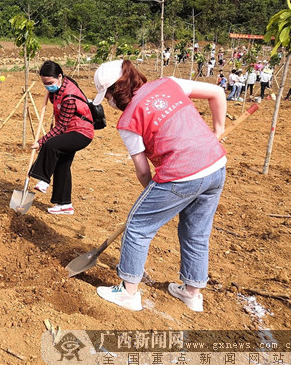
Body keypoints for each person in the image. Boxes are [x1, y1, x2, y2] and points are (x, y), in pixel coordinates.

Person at [93, 59, 227, 313]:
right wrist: (217, 133)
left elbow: (143, 171)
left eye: (108, 95)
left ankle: (128, 292)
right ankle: (192, 292)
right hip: (216, 165)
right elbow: (217, 92)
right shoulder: (169, 83)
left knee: (138, 226)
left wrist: (152, 196)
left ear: (115, 91)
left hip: (181, 174)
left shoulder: (128, 120)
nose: (109, 103)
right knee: (196, 232)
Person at [29, 61, 94, 215]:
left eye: (50, 83)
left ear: (60, 76)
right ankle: (64, 204)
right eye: (44, 84)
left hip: (80, 132)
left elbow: (61, 127)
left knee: (51, 145)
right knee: (62, 165)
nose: (47, 86)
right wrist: (50, 92)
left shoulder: (69, 97)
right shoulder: (59, 86)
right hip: (69, 131)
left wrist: (41, 141)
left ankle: (43, 179)